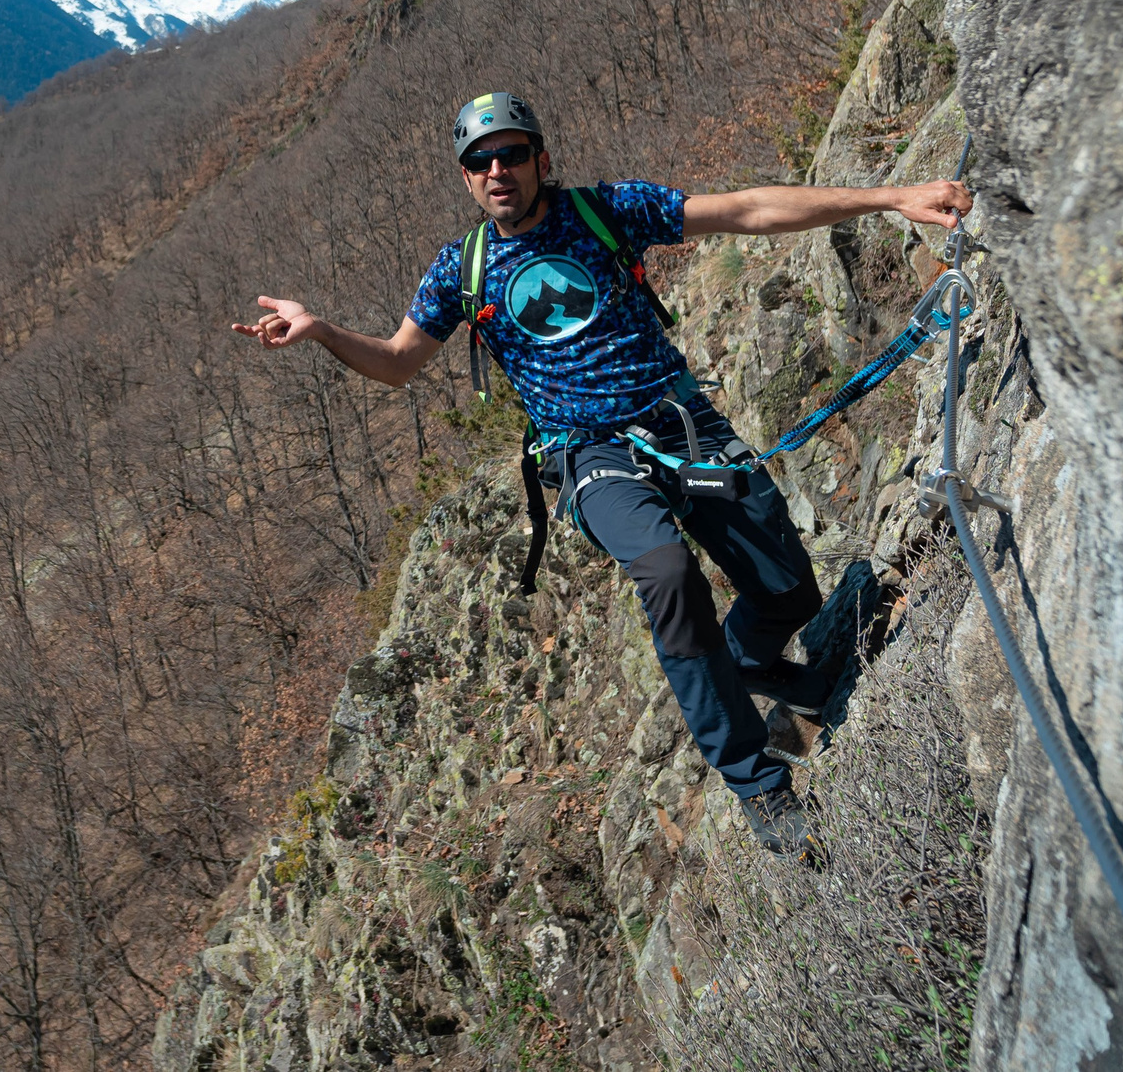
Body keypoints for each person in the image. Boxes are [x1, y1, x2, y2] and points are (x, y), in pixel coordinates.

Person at [232, 91, 970, 859]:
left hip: (680, 422)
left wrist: (894, 196)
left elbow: (747, 209)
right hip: (588, 455)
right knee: (665, 569)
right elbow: (396, 361)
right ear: (466, 180)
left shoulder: (606, 210)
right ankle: (760, 785)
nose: (497, 169)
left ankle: (750, 661)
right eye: (480, 161)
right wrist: (319, 329)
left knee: (789, 589)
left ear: (541, 160)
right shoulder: (464, 268)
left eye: (512, 152)